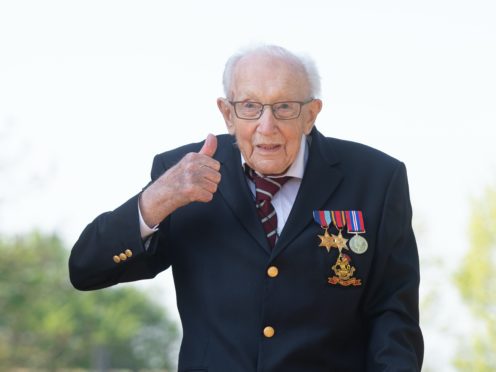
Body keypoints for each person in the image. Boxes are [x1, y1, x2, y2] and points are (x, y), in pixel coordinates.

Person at [69, 45, 424, 371]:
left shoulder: (376, 179)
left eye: (284, 107)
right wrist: (158, 199)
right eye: (250, 106)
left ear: (311, 114)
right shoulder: (181, 172)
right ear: (227, 113)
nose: (266, 127)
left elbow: (393, 315)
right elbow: (86, 269)